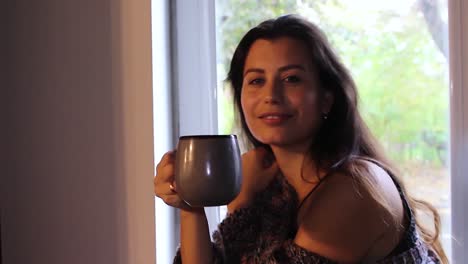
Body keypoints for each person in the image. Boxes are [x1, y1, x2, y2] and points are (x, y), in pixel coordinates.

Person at [154, 14, 447, 263]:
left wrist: (241, 204)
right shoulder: (266, 178)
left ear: (326, 99)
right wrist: (190, 205)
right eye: (256, 80)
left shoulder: (355, 190)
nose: (270, 96)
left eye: (291, 79)